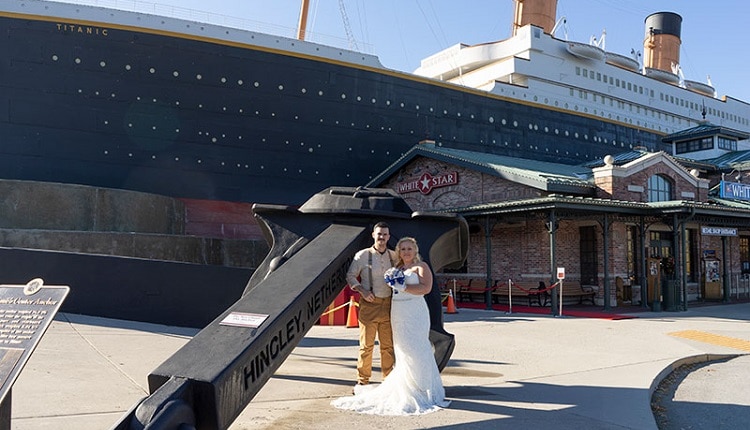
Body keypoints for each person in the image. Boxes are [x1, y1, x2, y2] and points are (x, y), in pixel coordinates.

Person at [332, 236, 450, 415]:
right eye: (403, 249)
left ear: (415, 250)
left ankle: (422, 388)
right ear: (399, 252)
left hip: (415, 311)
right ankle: (404, 383)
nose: (406, 252)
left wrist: (404, 288)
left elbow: (426, 288)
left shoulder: (421, 267)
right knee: (401, 349)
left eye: (409, 248)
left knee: (418, 347)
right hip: (397, 310)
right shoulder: (397, 268)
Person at [345, 221, 396, 386]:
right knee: (366, 346)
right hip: (369, 305)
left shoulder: (394, 256)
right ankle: (362, 381)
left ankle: (388, 380)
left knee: (387, 346)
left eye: (385, 234)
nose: (381, 237)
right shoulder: (362, 255)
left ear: (388, 236)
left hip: (389, 305)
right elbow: (350, 276)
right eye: (379, 234)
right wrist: (362, 290)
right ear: (373, 235)